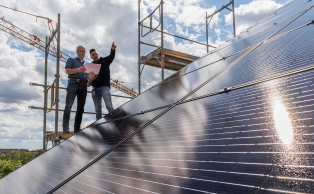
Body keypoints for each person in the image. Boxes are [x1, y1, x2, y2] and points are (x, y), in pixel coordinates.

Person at [62, 45, 88, 133]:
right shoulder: (71, 60)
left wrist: (91, 76)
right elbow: (67, 71)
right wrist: (78, 69)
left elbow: (88, 77)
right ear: (77, 51)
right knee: (68, 106)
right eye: (81, 51)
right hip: (73, 83)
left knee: (81, 108)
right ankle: (65, 128)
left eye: (84, 52)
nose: (83, 53)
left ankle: (77, 129)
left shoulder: (86, 65)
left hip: (84, 85)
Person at [88, 42, 116, 120]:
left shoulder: (105, 61)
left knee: (109, 106)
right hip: (95, 89)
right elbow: (90, 82)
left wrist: (112, 49)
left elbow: (111, 57)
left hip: (105, 88)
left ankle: (115, 121)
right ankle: (99, 125)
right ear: (91, 57)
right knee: (97, 109)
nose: (95, 55)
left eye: (95, 54)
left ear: (98, 54)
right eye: (93, 55)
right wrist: (90, 78)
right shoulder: (90, 66)